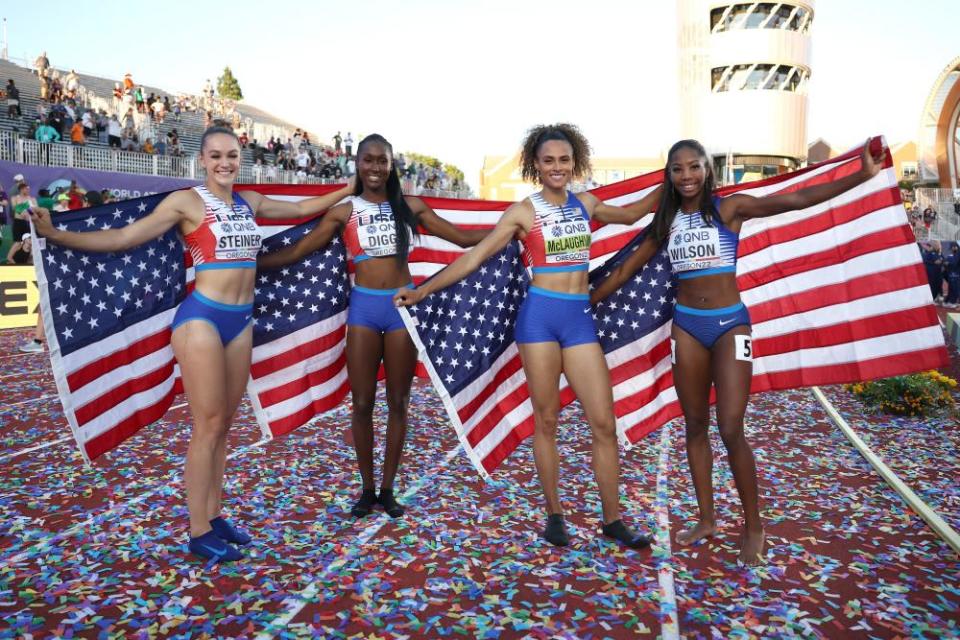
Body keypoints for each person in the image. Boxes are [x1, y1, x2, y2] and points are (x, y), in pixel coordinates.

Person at [29, 126, 355, 562]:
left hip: (240, 323)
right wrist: (60, 236)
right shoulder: (187, 202)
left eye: (232, 155)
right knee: (208, 424)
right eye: (216, 155)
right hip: (200, 319)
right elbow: (127, 237)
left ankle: (215, 514)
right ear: (202, 160)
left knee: (225, 425)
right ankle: (198, 530)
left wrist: (348, 188)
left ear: (241, 159)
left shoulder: (249, 202)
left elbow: (301, 207)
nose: (225, 163)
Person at [590, 138, 885, 564]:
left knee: (730, 428)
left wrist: (861, 175)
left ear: (707, 170)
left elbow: (796, 199)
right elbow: (623, 270)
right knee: (694, 425)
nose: (687, 175)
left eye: (694, 167)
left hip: (730, 325)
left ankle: (754, 526)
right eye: (678, 169)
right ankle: (707, 519)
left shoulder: (730, 208)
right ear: (669, 175)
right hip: (687, 326)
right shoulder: (665, 221)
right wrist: (581, 302)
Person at [394, 124, 662, 548]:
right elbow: (477, 256)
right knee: (548, 420)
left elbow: (634, 214)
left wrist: (680, 185)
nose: (557, 167)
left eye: (564, 159)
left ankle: (612, 520)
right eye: (548, 160)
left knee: (604, 422)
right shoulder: (524, 212)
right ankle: (554, 514)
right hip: (538, 322)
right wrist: (423, 290)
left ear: (575, 162)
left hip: (578, 321)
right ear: (535, 166)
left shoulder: (587, 204)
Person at [259, 133, 487, 520]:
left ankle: (388, 489)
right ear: (357, 164)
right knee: (362, 403)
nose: (376, 168)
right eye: (369, 160)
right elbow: (300, 249)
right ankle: (366, 489)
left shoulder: (409, 207)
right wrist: (251, 266)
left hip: (401, 307)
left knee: (398, 402)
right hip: (363, 309)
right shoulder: (345, 211)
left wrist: (515, 231)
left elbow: (463, 237)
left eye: (383, 161)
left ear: (391, 165)